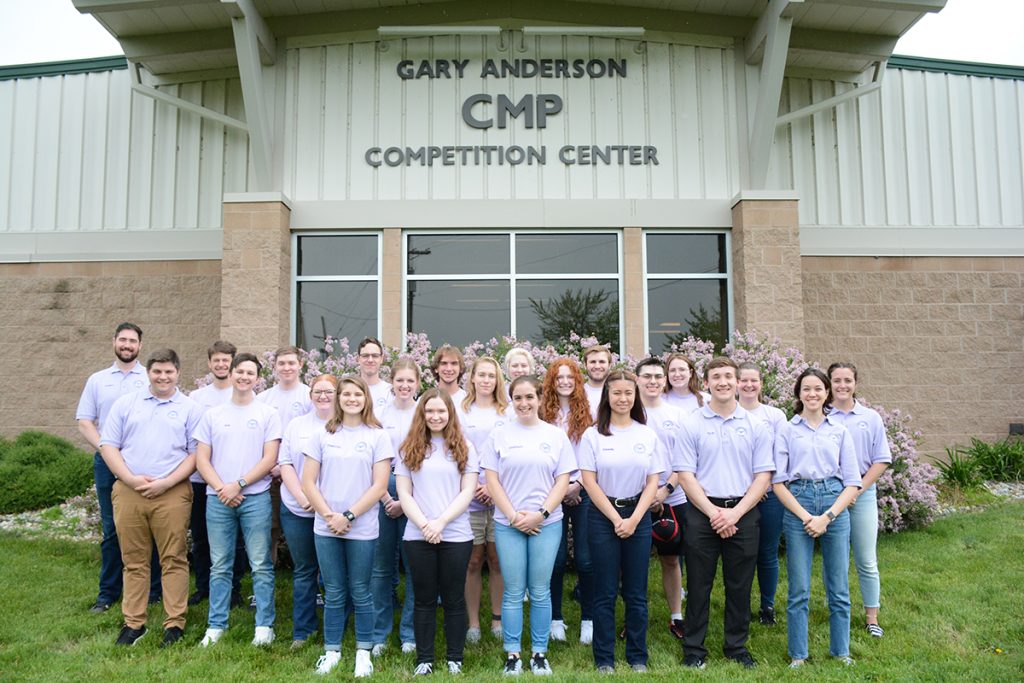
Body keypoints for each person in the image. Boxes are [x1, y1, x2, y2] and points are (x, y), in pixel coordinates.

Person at [99, 348, 203, 647]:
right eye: (157, 371)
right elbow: (109, 445)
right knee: (134, 560)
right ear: (149, 373)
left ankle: (175, 624)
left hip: (171, 493)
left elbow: (197, 453)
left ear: (177, 373)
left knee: (174, 558)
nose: (163, 377)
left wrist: (167, 482)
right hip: (129, 491)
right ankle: (134, 623)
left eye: (169, 371)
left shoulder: (189, 408)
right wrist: (130, 478)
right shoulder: (126, 404)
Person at [676, 357, 773, 670]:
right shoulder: (691, 423)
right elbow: (686, 474)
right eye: (716, 377)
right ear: (706, 383)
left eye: (728, 376)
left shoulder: (756, 425)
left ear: (737, 382)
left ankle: (736, 646)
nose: (723, 382)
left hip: (743, 511)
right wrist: (714, 513)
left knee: (740, 584)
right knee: (699, 583)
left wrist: (735, 513)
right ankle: (693, 649)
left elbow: (763, 476)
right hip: (702, 511)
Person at [482, 376, 576, 676]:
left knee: (539, 590)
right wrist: (512, 515)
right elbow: (491, 479)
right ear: (511, 400)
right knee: (512, 591)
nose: (523, 403)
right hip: (509, 522)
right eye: (518, 398)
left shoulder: (555, 435)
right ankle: (512, 654)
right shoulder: (499, 434)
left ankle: (538, 653)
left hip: (546, 523)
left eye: (529, 397)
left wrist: (541, 514)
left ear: (539, 398)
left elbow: (563, 480)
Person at [302, 376, 393, 677]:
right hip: (326, 526)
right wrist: (330, 515)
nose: (352, 399)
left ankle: (363, 652)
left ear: (366, 398)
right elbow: (308, 482)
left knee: (361, 590)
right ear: (338, 398)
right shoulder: (322, 434)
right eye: (346, 394)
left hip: (362, 527)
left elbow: (380, 485)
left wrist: (349, 516)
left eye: (357, 394)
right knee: (334, 592)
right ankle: (332, 651)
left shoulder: (377, 436)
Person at [773, 367, 861, 668]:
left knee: (839, 586)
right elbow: (778, 482)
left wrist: (828, 516)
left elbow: (852, 481)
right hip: (799, 501)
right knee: (798, 588)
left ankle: (841, 652)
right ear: (798, 393)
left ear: (827, 393)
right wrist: (806, 516)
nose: (812, 394)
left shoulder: (839, 430)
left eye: (818, 389)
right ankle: (799, 654)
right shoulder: (787, 429)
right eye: (806, 389)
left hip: (833, 502)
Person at [194, 353, 281, 648]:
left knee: (260, 563)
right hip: (218, 499)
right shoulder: (213, 415)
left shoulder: (267, 414)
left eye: (250, 373)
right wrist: (222, 488)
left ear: (258, 378)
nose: (244, 377)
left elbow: (270, 458)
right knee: (219, 565)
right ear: (230, 374)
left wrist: (240, 484)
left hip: (255, 498)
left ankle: (264, 625)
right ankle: (216, 625)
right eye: (239, 372)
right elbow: (202, 459)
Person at [578, 370, 662, 673]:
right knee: (605, 591)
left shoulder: (646, 433)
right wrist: (616, 518)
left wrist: (635, 517)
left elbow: (653, 481)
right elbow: (589, 481)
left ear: (635, 396)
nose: (623, 398)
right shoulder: (593, 435)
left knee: (636, 592)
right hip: (603, 517)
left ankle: (637, 656)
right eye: (616, 393)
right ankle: (604, 659)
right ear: (607, 397)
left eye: (628, 393)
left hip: (638, 516)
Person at [76, 322, 160, 613]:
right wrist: (108, 449)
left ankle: (154, 591)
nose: (127, 345)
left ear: (140, 346)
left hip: (143, 461)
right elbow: (85, 422)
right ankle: (108, 593)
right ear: (114, 341)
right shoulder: (98, 380)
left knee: (150, 526)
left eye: (133, 341)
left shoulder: (149, 378)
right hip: (107, 462)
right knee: (113, 528)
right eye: (123, 340)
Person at [396, 389, 478, 676]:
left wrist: (440, 522)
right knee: (424, 598)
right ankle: (424, 659)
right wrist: (424, 525)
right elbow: (404, 494)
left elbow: (467, 491)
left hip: (455, 534)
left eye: (441, 411)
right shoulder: (409, 447)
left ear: (450, 414)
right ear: (422, 414)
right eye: (429, 411)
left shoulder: (465, 447)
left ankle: (455, 657)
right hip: (418, 535)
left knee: (454, 597)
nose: (435, 416)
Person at [827, 361, 892, 638]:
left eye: (847, 380)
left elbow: (881, 460)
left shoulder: (870, 417)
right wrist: (842, 492)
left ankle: (871, 617)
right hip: (830, 494)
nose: (842, 385)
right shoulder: (822, 415)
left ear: (856, 383)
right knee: (836, 560)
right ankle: (837, 611)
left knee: (866, 559)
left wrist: (856, 490)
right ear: (829, 383)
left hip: (862, 495)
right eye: (837, 380)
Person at [538, 358, 595, 645]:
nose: (564, 382)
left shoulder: (588, 413)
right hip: (551, 492)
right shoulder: (542, 413)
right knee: (556, 559)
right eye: (558, 377)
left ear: (576, 381)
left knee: (585, 558)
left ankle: (588, 619)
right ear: (551, 381)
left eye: (569, 377)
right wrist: (561, 489)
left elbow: (594, 454)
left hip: (583, 490)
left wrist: (578, 484)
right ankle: (555, 618)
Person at [278, 375, 337, 649]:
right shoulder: (296, 425)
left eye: (329, 391)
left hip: (333, 512)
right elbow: (286, 463)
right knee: (304, 570)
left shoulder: (345, 425)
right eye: (318, 391)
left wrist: (325, 504)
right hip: (298, 509)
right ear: (310, 394)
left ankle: (337, 627)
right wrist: (303, 497)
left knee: (335, 573)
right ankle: (303, 631)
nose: (323, 396)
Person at [186, 340, 246, 608]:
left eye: (226, 360)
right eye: (216, 360)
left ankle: (233, 588)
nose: (221, 364)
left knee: (237, 541)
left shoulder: (242, 394)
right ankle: (203, 587)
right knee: (201, 537)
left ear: (233, 365)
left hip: (237, 482)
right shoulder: (197, 398)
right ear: (210, 364)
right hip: (203, 481)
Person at [635, 357, 688, 640]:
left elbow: (685, 461)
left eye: (658, 376)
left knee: (671, 560)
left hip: (673, 497)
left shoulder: (678, 416)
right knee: (633, 563)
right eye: (647, 376)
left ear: (664, 380)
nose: (653, 381)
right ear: (637, 379)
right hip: (634, 499)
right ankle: (634, 617)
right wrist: (645, 495)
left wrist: (664, 491)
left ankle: (676, 616)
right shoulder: (628, 413)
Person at [457, 356, 509, 643]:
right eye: (482, 375)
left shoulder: (508, 412)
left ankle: (497, 619)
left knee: (497, 559)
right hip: (470, 495)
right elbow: (456, 450)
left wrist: (492, 486)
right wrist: (476, 484)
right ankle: (473, 623)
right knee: (474, 560)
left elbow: (512, 454)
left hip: (500, 496)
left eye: (492, 375)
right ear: (473, 378)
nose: (487, 380)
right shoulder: (461, 411)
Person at [736, 362, 788, 627]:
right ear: (736, 383)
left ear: (761, 384)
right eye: (743, 380)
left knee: (766, 553)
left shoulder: (774, 415)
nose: (748, 385)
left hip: (769, 496)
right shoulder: (727, 413)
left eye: (753, 380)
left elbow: (781, 454)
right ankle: (740, 605)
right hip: (737, 495)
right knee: (741, 554)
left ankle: (767, 605)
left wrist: (763, 486)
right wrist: (747, 490)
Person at [372, 358, 419, 656]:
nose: (404, 386)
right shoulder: (378, 415)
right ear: (392, 382)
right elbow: (371, 460)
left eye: (409, 381)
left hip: (414, 493)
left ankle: (409, 633)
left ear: (417, 384)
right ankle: (379, 633)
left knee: (414, 566)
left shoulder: (423, 414)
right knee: (381, 568)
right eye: (399, 381)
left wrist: (405, 502)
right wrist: (387, 498)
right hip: (382, 491)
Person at [257, 346, 313, 569]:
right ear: (275, 367)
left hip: (301, 475)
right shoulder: (263, 398)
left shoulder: (310, 396)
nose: (287, 367)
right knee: (267, 531)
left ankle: (316, 586)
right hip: (267, 476)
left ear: (301, 365)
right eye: (282, 363)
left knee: (308, 531)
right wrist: (270, 466)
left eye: (291, 363)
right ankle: (264, 586)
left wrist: (285, 466)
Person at [358, 337, 393, 414]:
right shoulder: (349, 391)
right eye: (365, 356)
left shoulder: (390, 391)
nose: (370, 360)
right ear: (358, 359)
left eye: (375, 356)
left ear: (381, 359)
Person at [582, 345, 612, 417]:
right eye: (592, 362)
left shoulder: (617, 393)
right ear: (585, 365)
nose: (597, 366)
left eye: (602, 362)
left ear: (609, 365)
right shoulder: (577, 393)